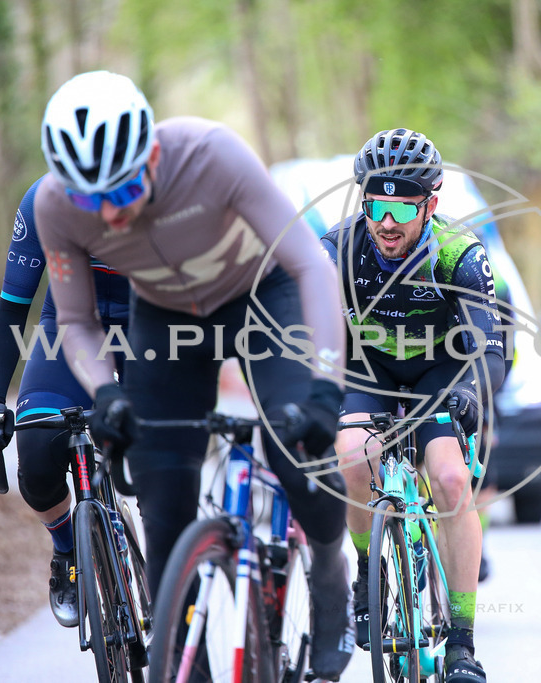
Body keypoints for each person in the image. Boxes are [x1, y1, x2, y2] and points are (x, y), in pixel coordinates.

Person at [32, 70, 353, 679]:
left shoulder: (211, 154)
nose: (107, 212)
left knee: (296, 450)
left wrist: (325, 388)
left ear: (151, 155)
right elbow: (74, 321)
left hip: (266, 297)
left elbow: (311, 264)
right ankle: (186, 661)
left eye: (122, 189)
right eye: (86, 197)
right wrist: (106, 393)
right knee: (163, 492)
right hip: (169, 318)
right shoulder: (55, 207)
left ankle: (332, 571)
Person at [322, 128, 505, 682]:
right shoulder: (339, 248)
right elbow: (298, 328)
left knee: (450, 480)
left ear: (430, 202)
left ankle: (462, 645)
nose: (386, 221)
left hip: (438, 372)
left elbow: (488, 349)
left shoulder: (459, 256)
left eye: (402, 206)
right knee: (353, 455)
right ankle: (365, 571)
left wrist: (472, 393)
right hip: (370, 372)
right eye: (376, 203)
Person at [0, 175, 130, 627]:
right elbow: (12, 307)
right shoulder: (41, 201)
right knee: (37, 455)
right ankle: (67, 552)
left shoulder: (166, 192)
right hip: (67, 322)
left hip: (152, 322)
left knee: (159, 452)